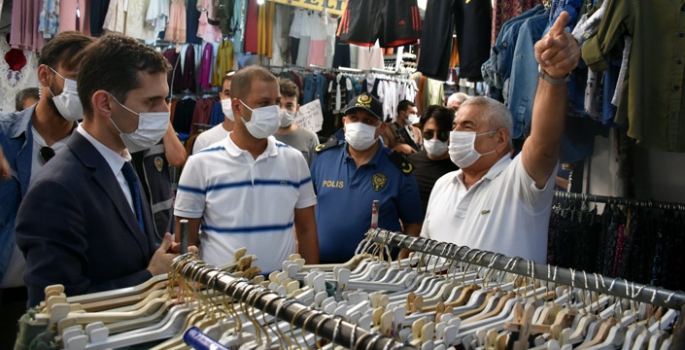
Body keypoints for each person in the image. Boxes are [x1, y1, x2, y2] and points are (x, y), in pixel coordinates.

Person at [15, 34, 196, 308]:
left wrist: (161, 258)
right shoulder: (56, 190)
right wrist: (150, 276)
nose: (164, 112)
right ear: (105, 103)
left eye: (165, 99)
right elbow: (52, 309)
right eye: (151, 101)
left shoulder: (122, 163)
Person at [420, 12, 580, 263]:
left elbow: (544, 144)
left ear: (500, 138)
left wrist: (553, 76)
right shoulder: (443, 185)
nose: (456, 133)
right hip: (437, 303)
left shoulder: (518, 181)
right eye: (456, 125)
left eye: (468, 126)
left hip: (506, 304)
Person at [174, 66, 319, 273]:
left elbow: (306, 230)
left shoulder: (294, 161)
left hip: (282, 294)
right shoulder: (200, 164)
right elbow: (185, 240)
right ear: (237, 107)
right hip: (220, 294)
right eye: (263, 104)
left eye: (276, 102)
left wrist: (311, 283)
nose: (273, 111)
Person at [0, 32, 94, 346]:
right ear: (45, 74)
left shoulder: (94, 152)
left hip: (63, 302)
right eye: (76, 76)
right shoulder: (4, 136)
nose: (84, 87)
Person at [311, 93, 423, 263]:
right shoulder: (324, 158)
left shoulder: (398, 170)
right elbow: (304, 209)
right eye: (354, 118)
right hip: (320, 268)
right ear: (344, 122)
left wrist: (399, 265)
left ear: (382, 127)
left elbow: (413, 225)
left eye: (368, 121)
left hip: (375, 276)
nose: (359, 125)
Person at [131, 123, 187, 242]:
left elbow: (178, 158)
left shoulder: (157, 129)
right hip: (132, 225)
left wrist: (164, 119)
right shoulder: (115, 130)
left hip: (161, 225)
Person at [407, 105, 459, 217]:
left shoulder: (460, 167)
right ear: (421, 131)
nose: (434, 139)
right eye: (429, 134)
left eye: (442, 135)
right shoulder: (410, 163)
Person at [274, 78, 319, 166]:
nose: (283, 110)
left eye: (289, 105)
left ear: (297, 109)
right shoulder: (262, 136)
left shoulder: (310, 139)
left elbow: (316, 174)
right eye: (279, 104)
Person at [191, 71, 235, 154]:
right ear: (221, 97)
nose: (233, 100)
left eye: (238, 94)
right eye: (228, 93)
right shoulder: (204, 141)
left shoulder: (259, 142)